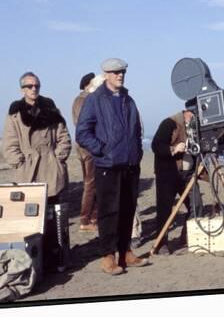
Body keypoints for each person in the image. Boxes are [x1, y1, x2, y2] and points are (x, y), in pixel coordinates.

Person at [76, 58, 148, 275]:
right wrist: (102, 150)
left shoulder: (128, 99)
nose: (120, 75)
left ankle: (125, 252)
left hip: (130, 164)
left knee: (128, 210)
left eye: (123, 72)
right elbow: (82, 133)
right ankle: (108, 256)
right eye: (116, 72)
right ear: (106, 74)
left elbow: (136, 130)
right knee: (109, 213)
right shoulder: (95, 100)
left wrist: (137, 152)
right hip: (107, 165)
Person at [2, 71, 72, 202]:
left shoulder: (51, 109)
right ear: (22, 89)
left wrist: (58, 159)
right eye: (29, 86)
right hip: (27, 170)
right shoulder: (14, 114)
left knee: (53, 211)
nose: (34, 88)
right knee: (30, 212)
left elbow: (64, 137)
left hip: (51, 167)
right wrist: (19, 163)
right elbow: (9, 142)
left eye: (37, 86)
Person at [151, 109, 203, 255]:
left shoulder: (194, 126)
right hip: (168, 173)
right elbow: (156, 145)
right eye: (194, 115)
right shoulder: (169, 123)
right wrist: (174, 149)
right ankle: (161, 244)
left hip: (188, 173)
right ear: (187, 113)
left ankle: (187, 236)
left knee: (196, 205)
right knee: (165, 210)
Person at [72, 72, 99, 232]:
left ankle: (92, 218)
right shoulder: (83, 100)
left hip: (85, 146)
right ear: (89, 84)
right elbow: (84, 123)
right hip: (88, 147)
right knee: (90, 183)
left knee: (91, 182)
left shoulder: (81, 100)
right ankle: (86, 219)